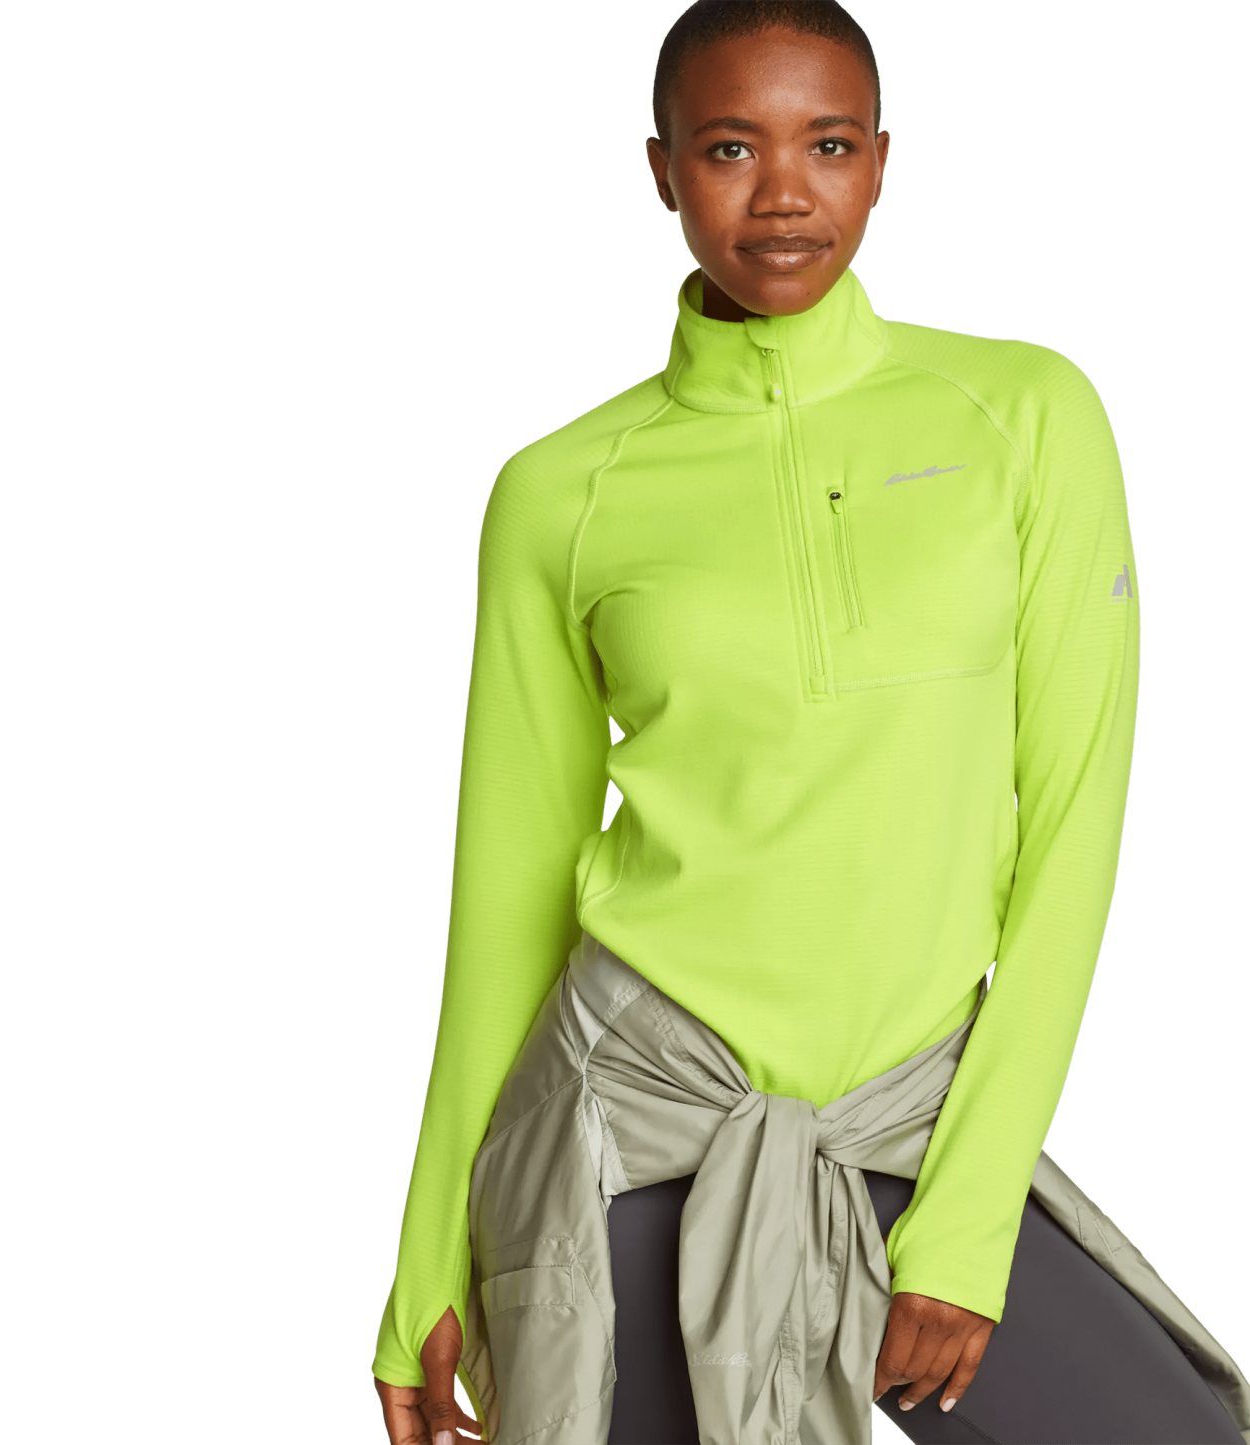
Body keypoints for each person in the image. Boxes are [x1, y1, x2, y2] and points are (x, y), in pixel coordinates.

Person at [369, 3, 1244, 1443]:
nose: (783, 194)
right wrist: (422, 1266)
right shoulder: (559, 490)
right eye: (730, 149)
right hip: (634, 1122)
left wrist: (966, 1226)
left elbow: (1073, 831)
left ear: (881, 164)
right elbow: (507, 905)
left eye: (827, 146)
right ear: (662, 170)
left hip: (917, 1114)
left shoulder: (1024, 414)